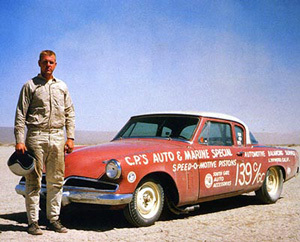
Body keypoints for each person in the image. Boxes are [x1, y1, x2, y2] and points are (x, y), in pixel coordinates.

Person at [14, 50, 75, 235]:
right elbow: (20, 114)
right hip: (36, 137)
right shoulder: (30, 86)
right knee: (33, 180)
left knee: (56, 181)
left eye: (52, 62)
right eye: (45, 62)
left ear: (56, 64)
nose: (48, 65)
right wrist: (19, 140)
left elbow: (70, 112)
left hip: (57, 137)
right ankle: (33, 222)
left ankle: (53, 219)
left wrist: (70, 137)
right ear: (39, 64)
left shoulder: (62, 86)